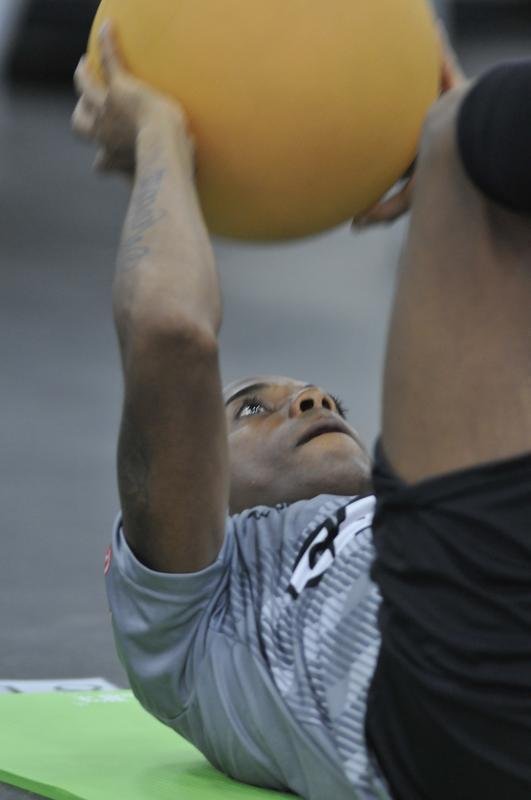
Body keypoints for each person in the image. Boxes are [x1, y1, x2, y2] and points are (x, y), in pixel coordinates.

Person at [73, 22, 531, 800]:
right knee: (464, 135)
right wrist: (157, 135)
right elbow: (169, 331)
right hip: (443, 707)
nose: (311, 400)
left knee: (472, 130)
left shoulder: (397, 516)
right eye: (252, 409)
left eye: (322, 401)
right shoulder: (191, 621)